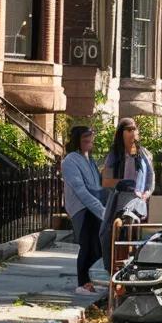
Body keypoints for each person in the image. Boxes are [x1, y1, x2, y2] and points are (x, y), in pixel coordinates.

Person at [99, 117, 155, 271]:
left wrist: (145, 194)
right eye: (128, 130)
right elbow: (105, 181)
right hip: (118, 198)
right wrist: (119, 183)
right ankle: (112, 269)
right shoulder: (114, 155)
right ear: (121, 133)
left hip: (138, 201)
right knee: (105, 233)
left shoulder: (144, 154)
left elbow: (150, 179)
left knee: (137, 234)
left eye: (134, 129)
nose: (132, 133)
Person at [61, 126, 106, 294]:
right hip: (82, 208)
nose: (89, 142)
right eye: (85, 139)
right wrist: (100, 210)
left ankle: (90, 283)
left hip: (93, 207)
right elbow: (80, 189)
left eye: (91, 138)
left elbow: (97, 186)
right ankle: (83, 283)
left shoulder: (90, 159)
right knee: (87, 245)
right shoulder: (70, 160)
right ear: (77, 141)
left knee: (96, 245)